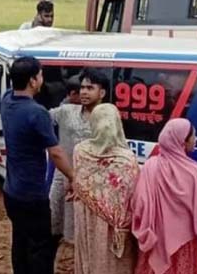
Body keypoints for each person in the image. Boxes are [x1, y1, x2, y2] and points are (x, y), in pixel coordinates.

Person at [1, 56, 75, 274]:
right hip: (32, 194)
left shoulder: (7, 100)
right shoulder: (36, 112)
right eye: (41, 74)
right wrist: (73, 176)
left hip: (11, 191)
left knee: (20, 241)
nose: (42, 79)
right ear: (33, 81)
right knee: (40, 248)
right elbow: (56, 152)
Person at [132, 119, 197, 274]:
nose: (196, 139)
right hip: (185, 245)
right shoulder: (195, 172)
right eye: (193, 136)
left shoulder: (151, 166)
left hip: (156, 243)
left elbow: (139, 204)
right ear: (182, 142)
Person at [73, 103, 139, 274]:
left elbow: (78, 184)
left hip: (87, 218)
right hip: (115, 228)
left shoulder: (80, 151)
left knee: (89, 258)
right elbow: (132, 198)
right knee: (113, 265)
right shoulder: (127, 159)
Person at [49, 68, 107, 243]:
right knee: (54, 225)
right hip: (63, 178)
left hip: (93, 183)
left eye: (90, 88)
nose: (84, 92)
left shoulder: (109, 118)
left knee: (87, 234)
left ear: (102, 92)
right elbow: (39, 119)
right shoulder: (66, 111)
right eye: (82, 87)